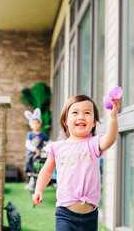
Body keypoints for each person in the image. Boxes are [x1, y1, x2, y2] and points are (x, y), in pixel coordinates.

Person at [32, 94, 120, 231]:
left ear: (94, 121)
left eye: (87, 113)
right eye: (75, 112)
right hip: (65, 215)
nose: (81, 117)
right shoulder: (57, 147)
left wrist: (113, 117)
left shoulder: (93, 143)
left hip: (90, 216)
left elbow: (109, 139)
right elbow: (47, 170)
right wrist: (38, 189)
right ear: (65, 120)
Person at [24, 108, 49, 190]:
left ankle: (41, 180)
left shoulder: (42, 135)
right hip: (31, 153)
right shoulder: (30, 134)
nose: (35, 125)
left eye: (37, 123)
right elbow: (27, 144)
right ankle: (30, 178)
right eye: (33, 123)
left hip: (40, 154)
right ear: (30, 125)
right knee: (28, 164)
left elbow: (49, 142)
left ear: (40, 124)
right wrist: (35, 149)